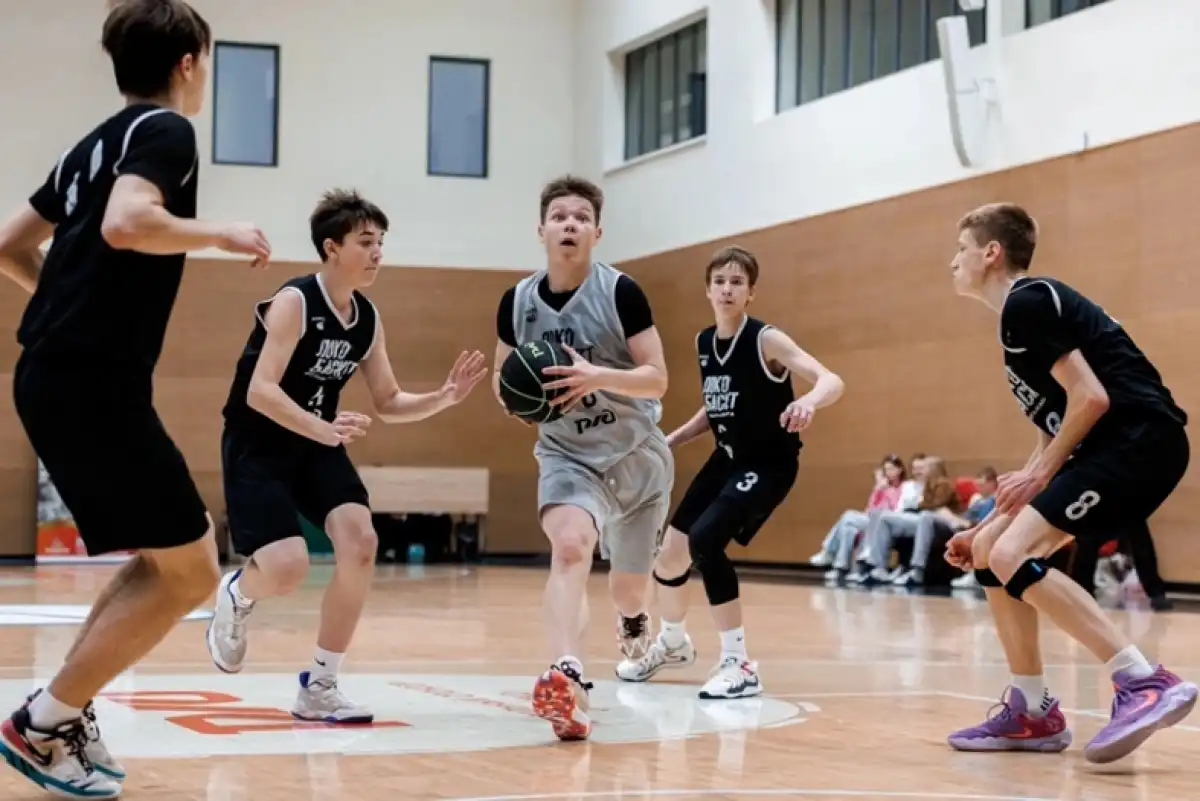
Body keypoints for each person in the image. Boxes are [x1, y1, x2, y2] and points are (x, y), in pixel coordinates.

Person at [0, 1, 271, 796]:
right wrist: (218, 231)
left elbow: (7, 244)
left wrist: (64, 299)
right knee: (192, 572)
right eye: (207, 61)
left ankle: (62, 710)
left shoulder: (92, 144)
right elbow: (126, 223)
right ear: (189, 62)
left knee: (171, 558)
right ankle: (43, 721)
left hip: (56, 373)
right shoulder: (167, 131)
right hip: (90, 380)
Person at [206, 190, 487, 722]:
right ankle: (239, 594)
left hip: (317, 441)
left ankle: (321, 683)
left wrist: (444, 397)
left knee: (361, 543)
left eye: (381, 242)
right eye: (365, 241)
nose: (377, 252)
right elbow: (260, 391)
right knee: (286, 569)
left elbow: (388, 401)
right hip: (258, 442)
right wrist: (324, 427)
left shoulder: (367, 319)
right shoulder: (294, 302)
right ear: (331, 248)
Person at [943, 202, 1196, 763]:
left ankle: (1142, 680)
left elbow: (1092, 399)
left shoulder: (1028, 302)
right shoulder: (1021, 323)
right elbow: (1056, 429)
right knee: (989, 549)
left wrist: (1038, 475)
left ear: (991, 252)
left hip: (1139, 440)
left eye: (961, 249)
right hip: (1107, 446)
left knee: (1011, 553)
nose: (953, 261)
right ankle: (1031, 710)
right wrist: (983, 524)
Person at [616, 245, 844, 698]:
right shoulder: (705, 342)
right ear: (708, 289)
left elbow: (831, 379)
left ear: (750, 292)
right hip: (727, 458)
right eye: (719, 281)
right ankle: (673, 643)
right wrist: (675, 437)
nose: (727, 289)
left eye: (737, 282)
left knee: (705, 541)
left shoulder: (766, 340)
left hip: (768, 462)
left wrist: (808, 401)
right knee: (670, 555)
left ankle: (739, 664)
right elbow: (719, 405)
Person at [492, 175, 671, 740]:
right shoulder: (517, 302)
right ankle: (568, 674)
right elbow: (503, 381)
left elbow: (657, 379)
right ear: (541, 229)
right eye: (559, 216)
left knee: (627, 589)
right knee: (570, 548)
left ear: (597, 231)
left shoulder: (621, 293)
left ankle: (634, 618)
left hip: (635, 456)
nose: (569, 225)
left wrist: (596, 375)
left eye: (580, 218)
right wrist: (519, 400)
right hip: (568, 456)